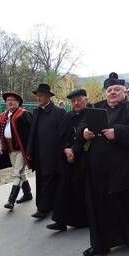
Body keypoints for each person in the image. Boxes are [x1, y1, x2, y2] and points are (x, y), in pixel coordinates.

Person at [81, 72, 129, 256]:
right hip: (99, 170)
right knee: (99, 208)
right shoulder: (95, 108)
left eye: (117, 90)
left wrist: (117, 133)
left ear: (125, 92)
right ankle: (99, 244)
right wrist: (85, 132)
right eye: (109, 90)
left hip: (126, 170)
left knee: (128, 206)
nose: (112, 93)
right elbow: (82, 126)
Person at [47, 88, 89, 231]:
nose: (76, 103)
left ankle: (83, 220)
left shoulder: (92, 114)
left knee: (81, 188)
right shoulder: (68, 116)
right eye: (73, 101)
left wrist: (74, 151)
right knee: (64, 188)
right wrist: (65, 149)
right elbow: (60, 137)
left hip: (85, 157)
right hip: (67, 157)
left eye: (79, 100)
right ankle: (61, 221)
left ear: (86, 100)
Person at [27, 83, 66, 219]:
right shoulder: (36, 111)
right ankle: (46, 206)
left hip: (53, 153)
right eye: (37, 96)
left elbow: (63, 133)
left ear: (49, 97)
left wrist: (61, 152)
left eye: (41, 96)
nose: (38, 98)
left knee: (50, 180)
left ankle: (43, 208)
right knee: (41, 180)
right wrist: (29, 151)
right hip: (39, 153)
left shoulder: (59, 112)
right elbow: (33, 132)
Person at [0, 92, 33, 210]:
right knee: (20, 172)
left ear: (18, 102)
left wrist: (30, 150)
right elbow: (0, 133)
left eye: (13, 100)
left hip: (21, 149)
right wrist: (0, 145)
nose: (10, 102)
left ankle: (11, 200)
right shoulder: (2, 117)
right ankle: (28, 194)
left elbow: (31, 134)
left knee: (16, 172)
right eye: (8, 100)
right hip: (10, 149)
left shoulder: (24, 115)